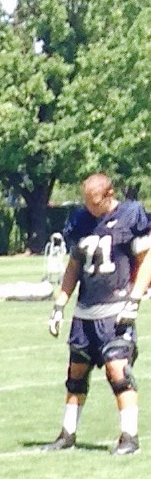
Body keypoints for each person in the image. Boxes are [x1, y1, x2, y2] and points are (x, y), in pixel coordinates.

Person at [43, 172, 151, 455]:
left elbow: (146, 259)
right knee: (75, 374)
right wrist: (60, 304)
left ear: (110, 195)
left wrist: (135, 299)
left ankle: (129, 437)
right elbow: (73, 266)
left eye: (95, 202)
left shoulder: (130, 215)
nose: (90, 208)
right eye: (87, 202)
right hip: (85, 312)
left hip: (116, 310)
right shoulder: (80, 220)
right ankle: (67, 434)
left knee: (118, 371)